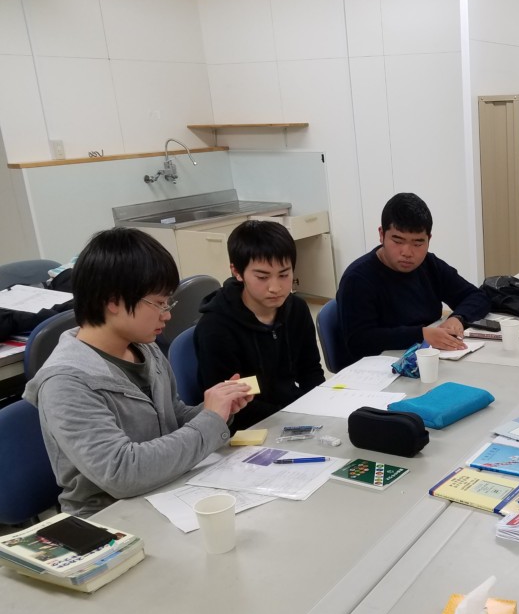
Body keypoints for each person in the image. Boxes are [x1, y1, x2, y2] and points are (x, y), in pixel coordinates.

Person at [23, 227, 253, 518]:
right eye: (157, 303)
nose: (167, 314)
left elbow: (172, 419)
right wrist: (209, 421)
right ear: (113, 301)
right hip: (109, 517)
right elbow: (122, 473)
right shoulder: (66, 383)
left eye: (168, 302)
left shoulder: (145, 348)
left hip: (167, 489)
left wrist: (216, 410)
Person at [334, 192, 490, 370]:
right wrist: (421, 335)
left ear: (429, 239)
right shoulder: (358, 279)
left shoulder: (429, 265)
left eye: (417, 243)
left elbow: (477, 296)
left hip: (428, 360)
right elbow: (359, 341)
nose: (407, 252)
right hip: (378, 370)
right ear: (381, 234)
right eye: (398, 241)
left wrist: (458, 318)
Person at [195, 219, 324, 430]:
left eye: (284, 274)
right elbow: (233, 407)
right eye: (262, 277)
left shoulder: (297, 309)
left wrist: (321, 408)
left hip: (293, 418)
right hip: (246, 429)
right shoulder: (216, 327)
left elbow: (310, 371)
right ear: (237, 271)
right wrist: (293, 417)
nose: (275, 287)